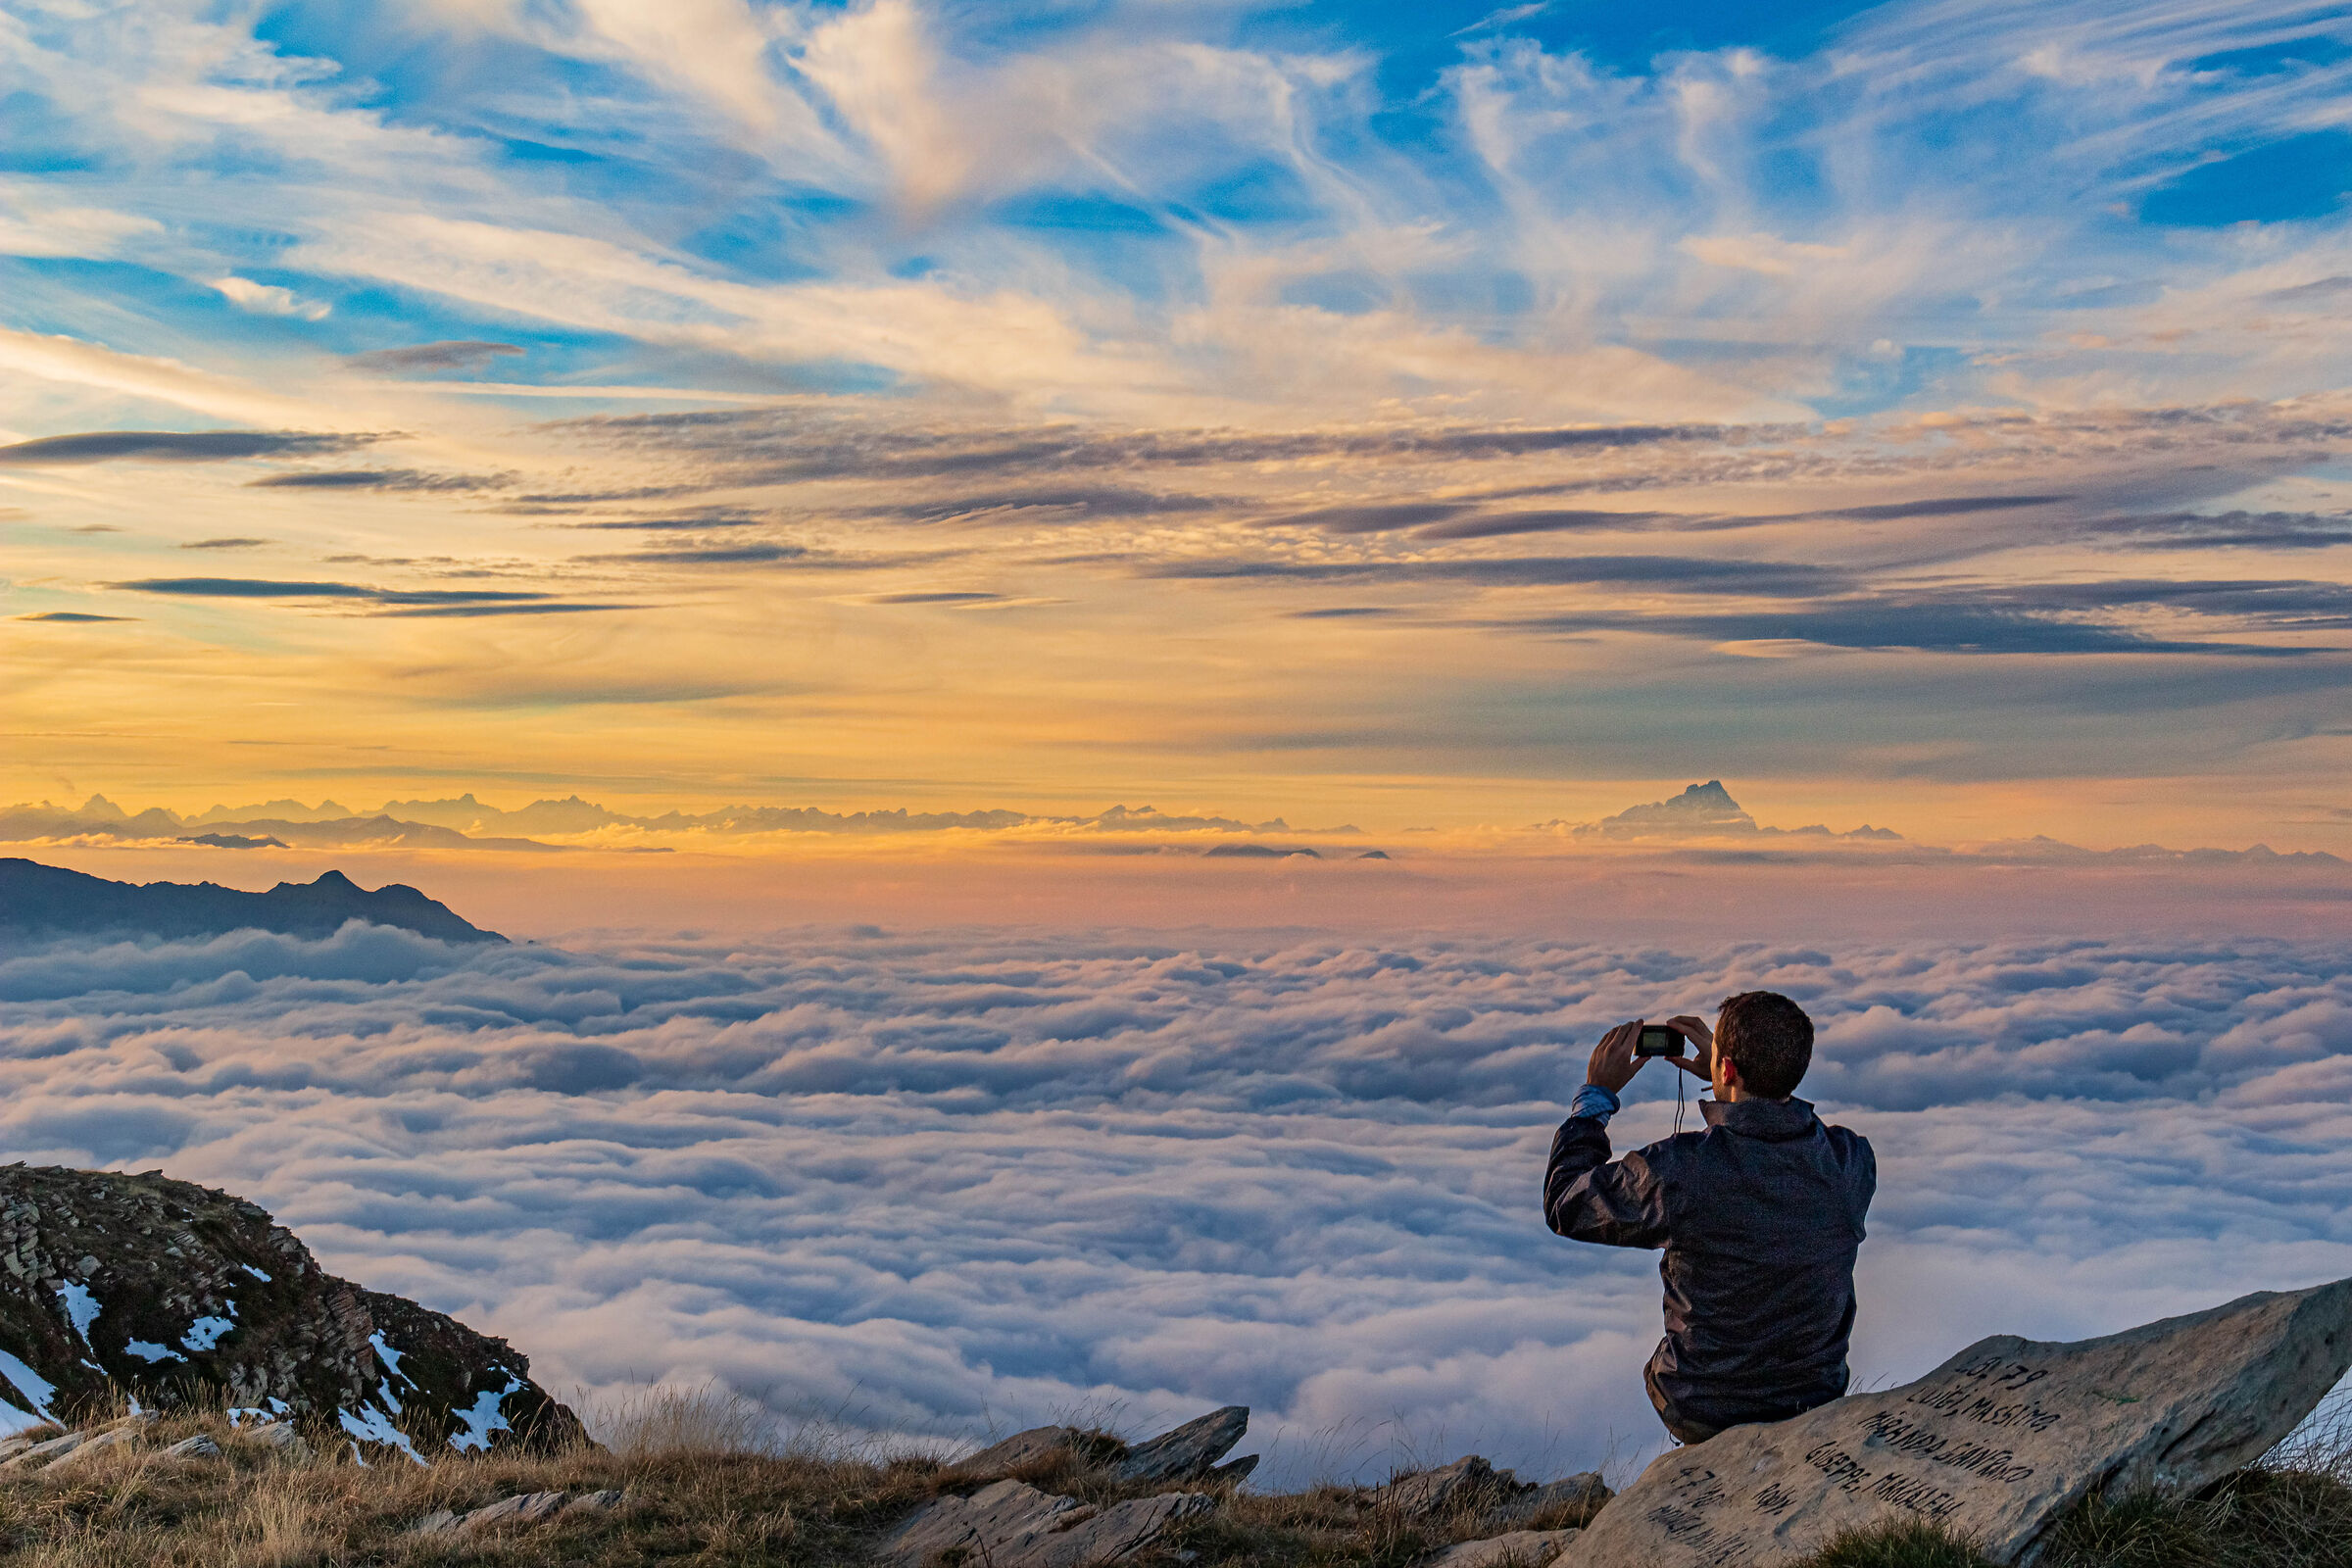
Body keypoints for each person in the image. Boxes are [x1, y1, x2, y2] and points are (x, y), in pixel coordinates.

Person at [1542, 992, 1874, 1445]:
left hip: (1704, 1405)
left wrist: (1596, 1098)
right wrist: (1733, 1083)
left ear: (1728, 1067)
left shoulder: (1682, 1170)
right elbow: (1792, 1150)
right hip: (1814, 1396)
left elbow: (1566, 1202)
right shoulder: (1852, 1161)